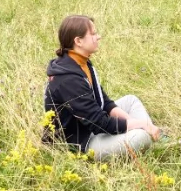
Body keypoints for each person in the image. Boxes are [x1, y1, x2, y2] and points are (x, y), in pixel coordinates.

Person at [43, 15, 162, 161]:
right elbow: (100, 123)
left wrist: (135, 124)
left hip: (91, 129)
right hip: (82, 142)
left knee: (131, 101)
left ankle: (151, 135)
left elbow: (105, 104)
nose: (98, 37)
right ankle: (150, 138)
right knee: (140, 137)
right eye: (93, 34)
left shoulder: (82, 63)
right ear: (78, 41)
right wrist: (140, 125)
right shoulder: (68, 79)